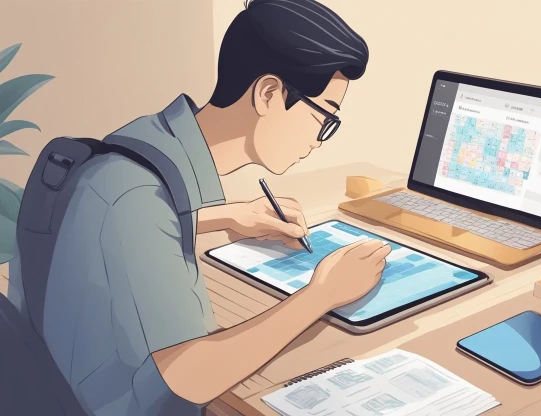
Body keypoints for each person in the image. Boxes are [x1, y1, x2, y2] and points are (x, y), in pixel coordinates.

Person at [8, 0, 390, 415]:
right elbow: (185, 375)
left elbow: (122, 228)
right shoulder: (138, 195)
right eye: (325, 119)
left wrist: (224, 216)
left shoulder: (144, 149)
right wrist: (322, 295)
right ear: (268, 93)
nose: (319, 139)